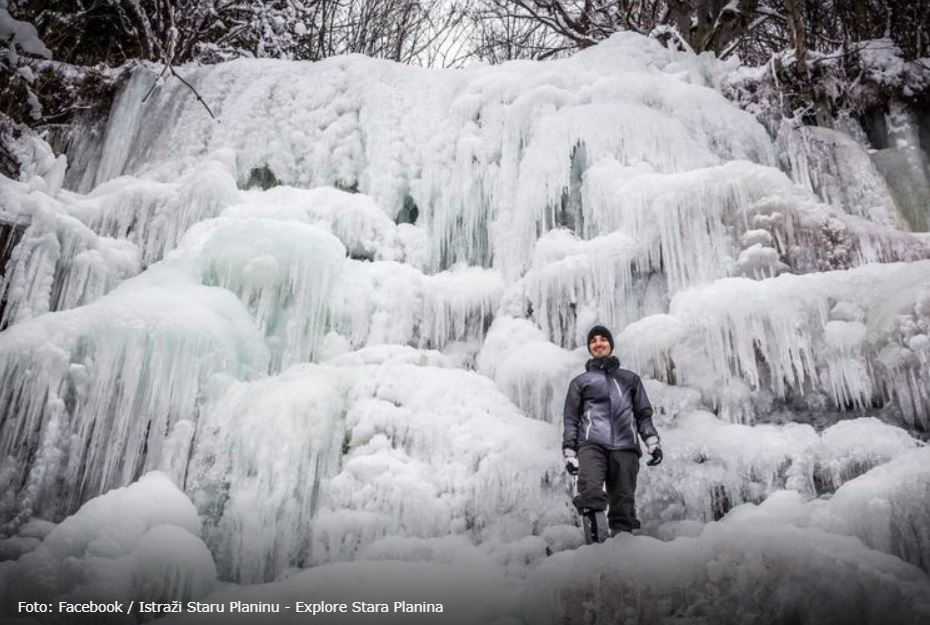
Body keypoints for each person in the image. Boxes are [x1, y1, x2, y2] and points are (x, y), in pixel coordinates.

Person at [562, 324, 662, 540]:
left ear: (610, 345)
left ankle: (621, 550)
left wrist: (651, 441)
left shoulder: (629, 379)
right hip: (591, 444)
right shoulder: (580, 383)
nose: (598, 343)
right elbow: (571, 419)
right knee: (590, 492)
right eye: (593, 340)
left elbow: (643, 413)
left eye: (603, 339)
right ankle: (596, 548)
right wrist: (570, 451)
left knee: (623, 501)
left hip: (625, 446)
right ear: (589, 347)